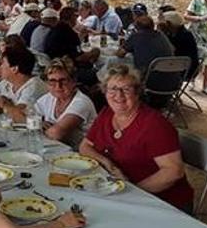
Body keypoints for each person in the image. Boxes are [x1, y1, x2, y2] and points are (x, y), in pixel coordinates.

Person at [80, 64, 194, 212]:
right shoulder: (107, 114)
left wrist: (133, 192)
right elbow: (85, 147)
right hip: (119, 193)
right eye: (113, 89)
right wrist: (107, 163)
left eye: (126, 89)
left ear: (137, 92)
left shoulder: (154, 125)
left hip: (162, 202)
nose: (119, 95)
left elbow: (174, 171)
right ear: (105, 91)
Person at [34, 58, 97, 147]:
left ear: (74, 81)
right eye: (52, 81)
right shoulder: (49, 97)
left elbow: (56, 134)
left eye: (63, 80)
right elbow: (27, 117)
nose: (58, 86)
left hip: (79, 154)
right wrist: (40, 123)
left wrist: (36, 126)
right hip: (56, 148)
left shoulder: (82, 102)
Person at [0, 47, 48, 120]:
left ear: (14, 69)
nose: (0, 67)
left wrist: (4, 103)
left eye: (3, 63)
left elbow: (19, 116)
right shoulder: (8, 82)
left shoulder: (34, 86)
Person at [158, 11, 200, 81]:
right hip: (177, 67)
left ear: (169, 24)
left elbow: (169, 50)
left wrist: (161, 33)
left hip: (184, 70)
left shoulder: (184, 35)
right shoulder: (174, 33)